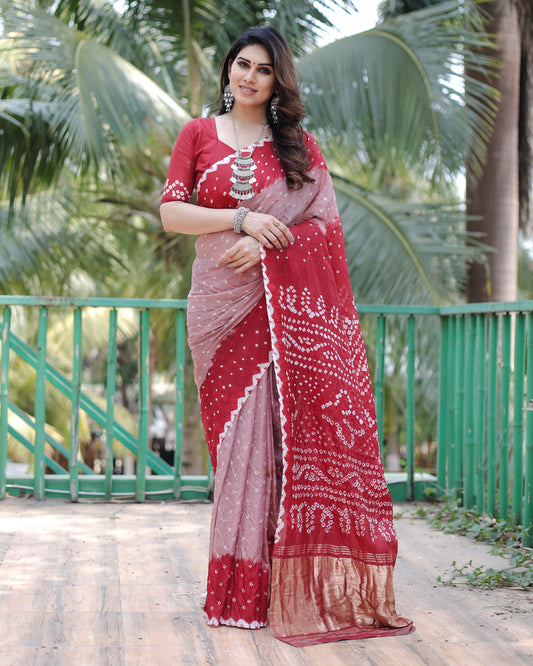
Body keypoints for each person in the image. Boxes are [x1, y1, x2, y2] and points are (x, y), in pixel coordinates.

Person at [160, 26, 414, 647]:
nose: (248, 77)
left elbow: (326, 226)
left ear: (279, 81)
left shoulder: (298, 147)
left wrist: (272, 242)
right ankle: (235, 585)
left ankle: (270, 590)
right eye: (240, 65)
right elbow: (172, 213)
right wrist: (244, 217)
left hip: (281, 316)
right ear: (227, 72)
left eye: (263, 70)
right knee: (236, 450)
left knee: (279, 443)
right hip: (219, 312)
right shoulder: (197, 134)